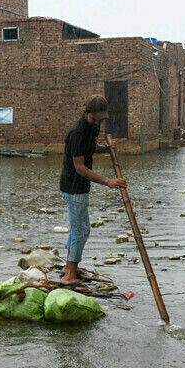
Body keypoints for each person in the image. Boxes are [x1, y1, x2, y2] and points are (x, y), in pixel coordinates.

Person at [59, 95, 127, 286]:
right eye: (94, 118)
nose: (97, 122)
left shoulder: (93, 126)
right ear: (85, 113)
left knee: (76, 228)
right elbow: (80, 167)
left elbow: (88, 148)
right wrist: (108, 181)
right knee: (81, 230)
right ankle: (69, 276)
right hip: (73, 187)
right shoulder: (77, 133)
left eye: (100, 119)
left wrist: (103, 148)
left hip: (79, 186)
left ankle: (68, 267)